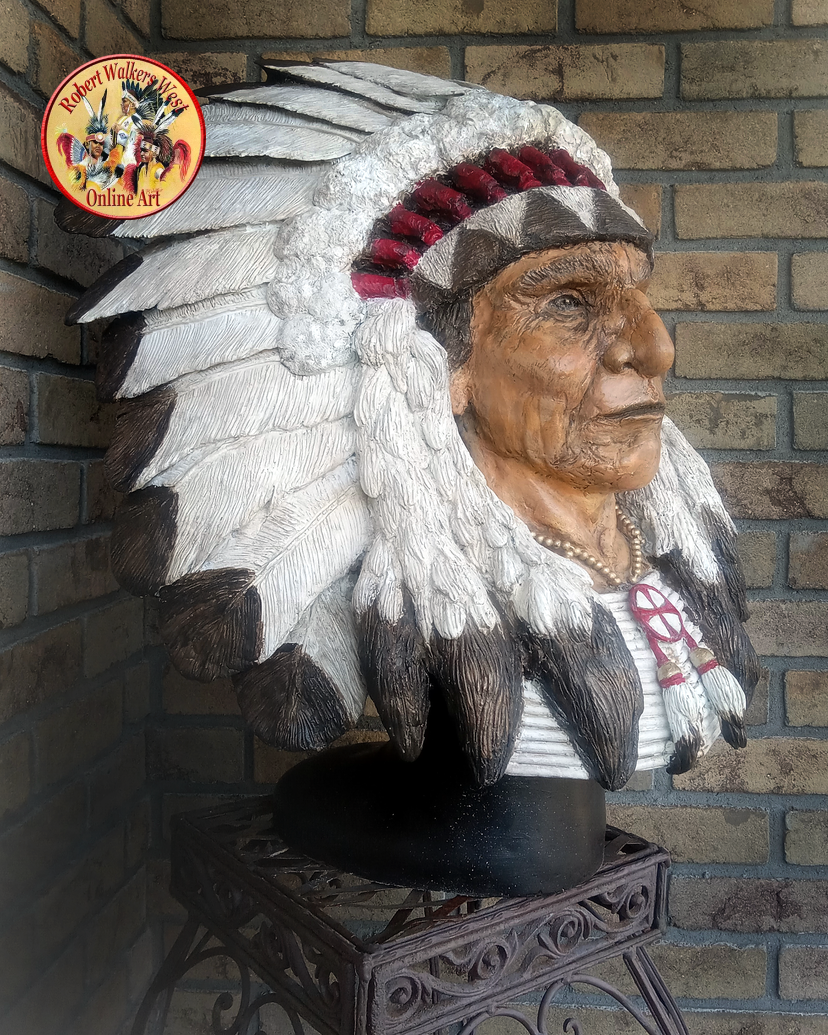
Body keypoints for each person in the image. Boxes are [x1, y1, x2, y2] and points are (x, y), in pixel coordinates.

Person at [63, 64, 759, 890]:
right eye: (568, 304)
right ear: (444, 369)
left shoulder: (652, 542)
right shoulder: (441, 571)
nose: (653, 347)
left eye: (635, 299)